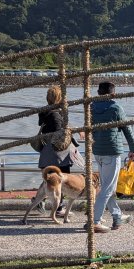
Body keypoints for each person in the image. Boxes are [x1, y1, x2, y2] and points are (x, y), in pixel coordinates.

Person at [87, 81, 134, 233]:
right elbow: (127, 129)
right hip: (112, 151)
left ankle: (117, 216)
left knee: (108, 186)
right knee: (107, 189)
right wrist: (133, 149)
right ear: (113, 94)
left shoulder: (91, 107)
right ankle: (94, 221)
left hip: (97, 151)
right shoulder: (116, 108)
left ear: (98, 92)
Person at [37, 85, 82, 215]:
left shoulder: (44, 112)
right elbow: (60, 132)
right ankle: (59, 207)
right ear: (60, 98)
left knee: (48, 179)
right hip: (59, 154)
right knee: (60, 179)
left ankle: (39, 200)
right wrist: (73, 131)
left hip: (47, 151)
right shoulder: (56, 114)